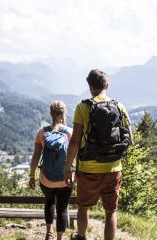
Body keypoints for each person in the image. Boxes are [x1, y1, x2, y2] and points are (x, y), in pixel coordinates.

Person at [64, 69, 132, 240]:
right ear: (106, 85)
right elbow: (130, 136)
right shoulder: (119, 106)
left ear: (90, 87)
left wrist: (68, 167)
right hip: (114, 168)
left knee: (83, 206)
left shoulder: (83, 107)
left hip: (89, 168)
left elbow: (75, 141)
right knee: (111, 211)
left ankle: (81, 236)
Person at [29, 101, 73, 240]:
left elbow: (36, 156)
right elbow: (76, 156)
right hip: (65, 179)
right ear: (63, 113)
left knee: (49, 202)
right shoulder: (70, 132)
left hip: (46, 179)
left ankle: (49, 232)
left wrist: (31, 175)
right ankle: (59, 238)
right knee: (62, 208)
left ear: (51, 113)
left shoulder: (41, 133)